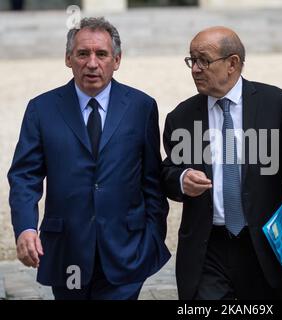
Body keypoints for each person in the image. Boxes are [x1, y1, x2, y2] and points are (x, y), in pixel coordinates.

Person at [7, 17, 170, 300]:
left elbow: (151, 179)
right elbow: (24, 176)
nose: (92, 63)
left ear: (117, 60)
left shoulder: (141, 107)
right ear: (68, 59)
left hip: (127, 251)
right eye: (83, 54)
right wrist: (25, 228)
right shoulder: (41, 109)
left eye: (102, 54)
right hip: (66, 250)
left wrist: (153, 235)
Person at [162, 26, 282, 300]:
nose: (195, 68)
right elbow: (167, 173)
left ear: (233, 63)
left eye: (203, 60)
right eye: (191, 60)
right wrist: (182, 180)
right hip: (207, 249)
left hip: (263, 247)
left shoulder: (277, 104)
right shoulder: (180, 117)